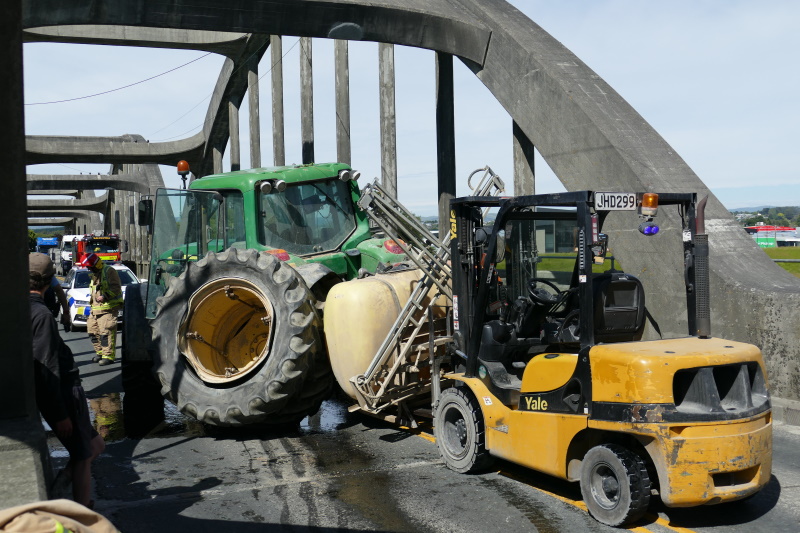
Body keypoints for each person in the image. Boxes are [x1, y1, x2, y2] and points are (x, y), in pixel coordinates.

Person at [29, 253, 105, 508]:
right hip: (64, 394)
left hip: (63, 394)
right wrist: (60, 414)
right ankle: (82, 510)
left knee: (96, 444)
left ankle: (61, 485)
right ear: (50, 281)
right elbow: (46, 365)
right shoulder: (40, 315)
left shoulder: (23, 308)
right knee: (84, 454)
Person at [79, 253, 123, 366]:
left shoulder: (109, 271)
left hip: (108, 309)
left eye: (89, 267)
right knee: (92, 331)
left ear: (96, 265)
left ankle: (108, 356)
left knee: (105, 333)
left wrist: (105, 296)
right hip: (95, 309)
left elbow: (116, 287)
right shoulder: (95, 274)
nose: (88, 269)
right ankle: (100, 353)